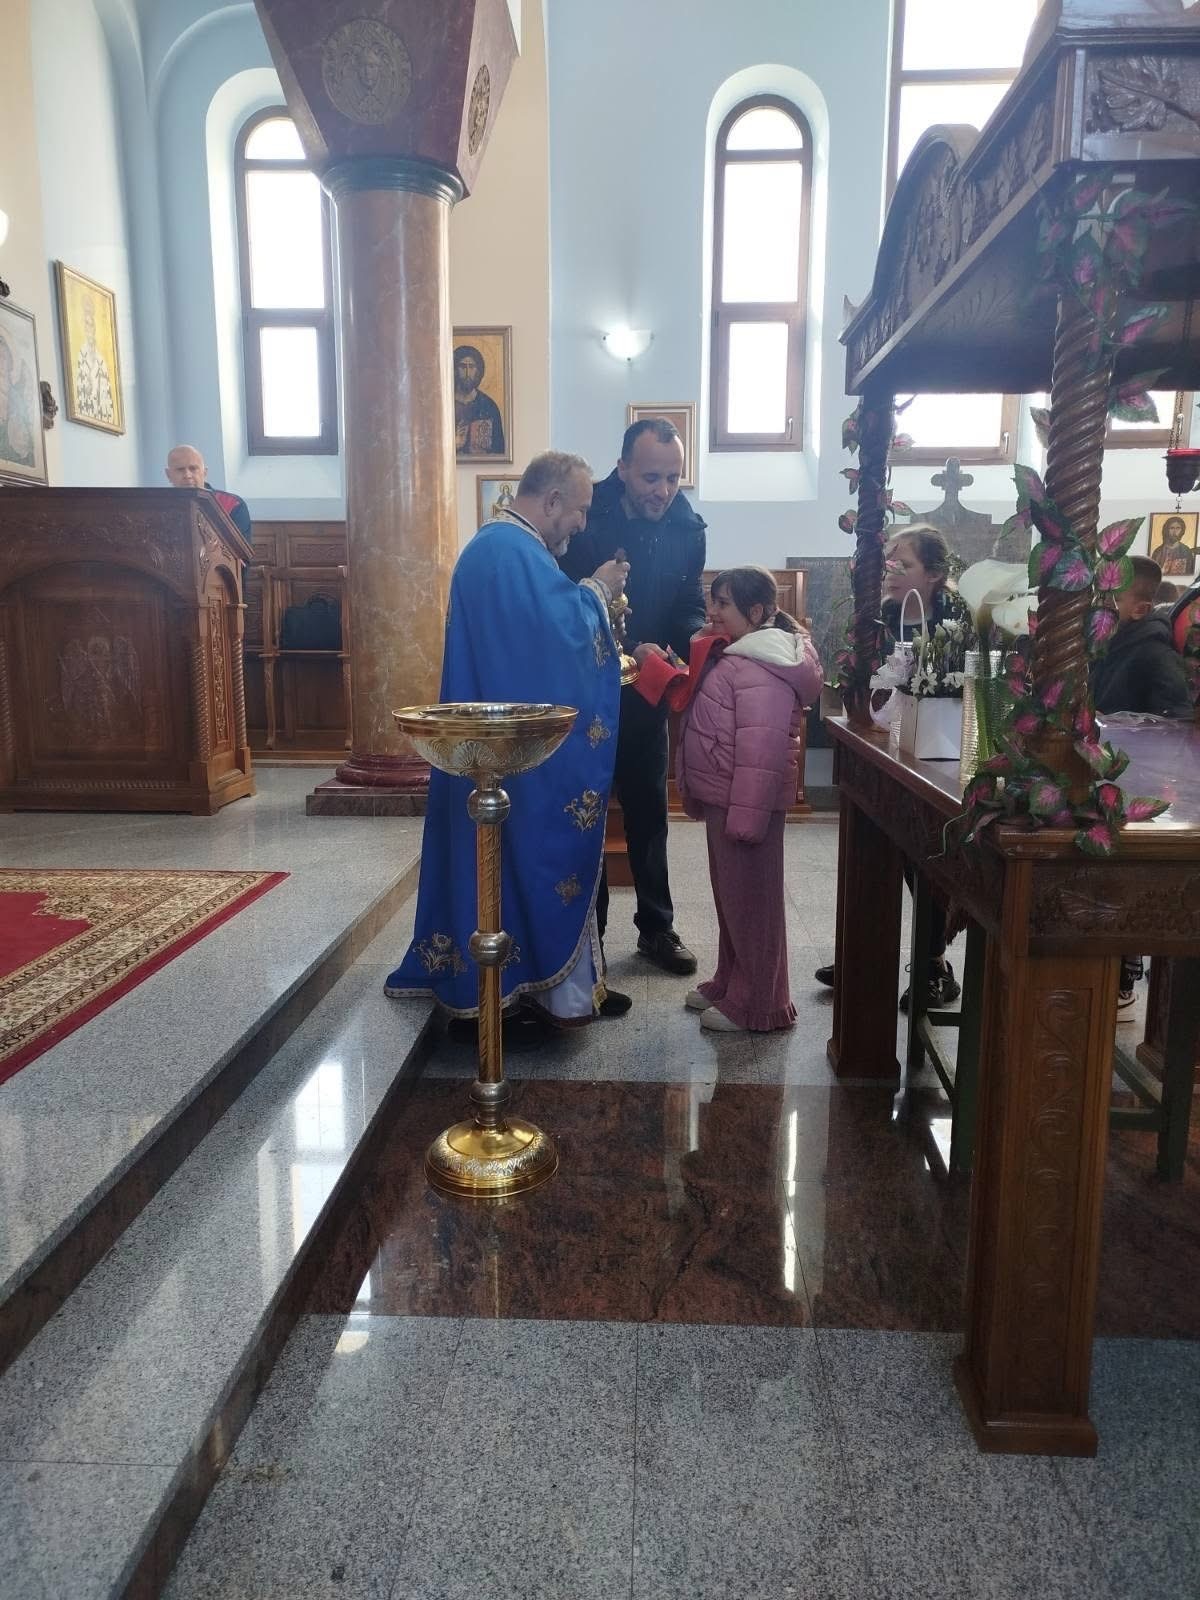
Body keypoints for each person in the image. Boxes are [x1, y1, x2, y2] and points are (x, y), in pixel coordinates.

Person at [385, 451, 634, 1029]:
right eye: (579, 510)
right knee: (509, 858)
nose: (581, 524)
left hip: (501, 753)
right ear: (552, 500)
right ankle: (503, 996)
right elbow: (557, 636)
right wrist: (596, 591)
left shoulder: (510, 548)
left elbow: (535, 640)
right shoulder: (507, 552)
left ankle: (553, 988)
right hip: (503, 759)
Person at [560, 417, 707, 976]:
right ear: (621, 468)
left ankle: (657, 928)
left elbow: (688, 602)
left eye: (672, 478)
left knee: (649, 810)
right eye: (650, 477)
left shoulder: (688, 527)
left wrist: (687, 643)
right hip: (587, 691)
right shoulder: (584, 516)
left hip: (647, 689)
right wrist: (616, 636)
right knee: (588, 811)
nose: (663, 491)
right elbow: (561, 601)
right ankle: (588, 935)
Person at [815, 524, 971, 1011]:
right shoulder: (882, 617)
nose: (891, 573)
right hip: (885, 748)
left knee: (925, 860)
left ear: (935, 574)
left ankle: (934, 966)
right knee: (871, 848)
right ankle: (866, 956)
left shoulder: (957, 620)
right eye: (889, 563)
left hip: (939, 754)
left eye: (904, 565)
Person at [675, 567, 822, 1032]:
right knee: (732, 899)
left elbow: (762, 750)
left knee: (753, 906)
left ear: (755, 611)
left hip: (745, 804)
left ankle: (760, 1002)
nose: (712, 612)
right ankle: (731, 979)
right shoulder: (742, 652)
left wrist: (748, 817)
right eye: (712, 601)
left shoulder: (765, 661)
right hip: (727, 797)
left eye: (722, 603)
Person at [1092, 555, 1193, 719]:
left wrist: (1112, 723)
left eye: (1111, 600)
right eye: (1096, 596)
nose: (1096, 605)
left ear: (1140, 610)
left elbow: (1178, 720)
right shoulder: (1104, 643)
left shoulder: (1157, 656)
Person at [165, 445, 252, 543]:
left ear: (205, 472)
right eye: (180, 470)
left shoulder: (233, 504)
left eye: (193, 469)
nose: (187, 475)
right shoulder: (158, 506)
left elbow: (239, 551)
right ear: (168, 475)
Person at [454, 344, 506, 457]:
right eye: (462, 367)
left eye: (472, 367)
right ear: (455, 370)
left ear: (478, 371)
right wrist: (454, 446)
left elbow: (499, 450)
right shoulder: (445, 406)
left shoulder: (489, 406)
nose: (467, 373)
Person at [73, 295, 116, 427]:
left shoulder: (101, 360)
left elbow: (107, 400)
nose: (89, 329)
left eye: (92, 324)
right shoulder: (81, 356)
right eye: (86, 324)